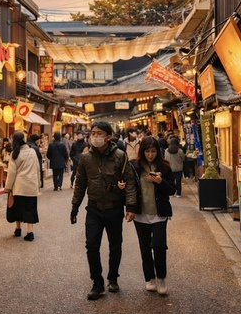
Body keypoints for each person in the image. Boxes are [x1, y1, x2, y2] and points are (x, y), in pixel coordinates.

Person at [70, 121, 137, 300]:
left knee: (115, 245)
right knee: (91, 245)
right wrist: (75, 206)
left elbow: (129, 182)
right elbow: (80, 184)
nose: (94, 136)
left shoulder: (120, 156)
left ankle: (113, 278)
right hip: (94, 209)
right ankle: (97, 282)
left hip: (114, 209)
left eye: (99, 133)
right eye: (93, 133)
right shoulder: (85, 158)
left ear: (108, 136)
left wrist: (130, 206)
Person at [134, 136, 176, 295]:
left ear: (158, 152)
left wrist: (160, 181)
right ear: (142, 151)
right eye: (147, 151)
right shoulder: (135, 167)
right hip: (141, 214)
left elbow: (172, 189)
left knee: (158, 246)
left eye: (153, 151)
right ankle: (149, 278)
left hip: (159, 213)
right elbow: (131, 188)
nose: (150, 155)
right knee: (145, 248)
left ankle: (161, 278)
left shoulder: (164, 167)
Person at [5, 131, 40, 241]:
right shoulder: (32, 151)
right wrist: (37, 184)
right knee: (30, 208)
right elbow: (37, 168)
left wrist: (8, 188)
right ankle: (30, 232)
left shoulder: (14, 154)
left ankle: (18, 229)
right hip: (31, 185)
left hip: (19, 186)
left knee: (17, 208)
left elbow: (11, 173)